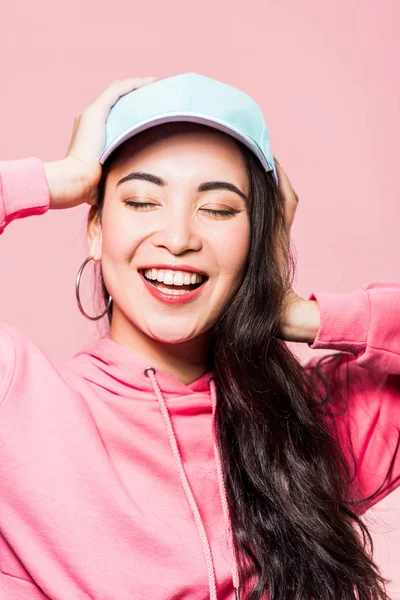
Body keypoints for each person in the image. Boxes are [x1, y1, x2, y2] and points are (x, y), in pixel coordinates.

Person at [0, 73, 399, 600]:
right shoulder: (18, 400)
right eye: (142, 201)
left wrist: (292, 312)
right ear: (95, 228)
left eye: (217, 209)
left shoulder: (308, 421)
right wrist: (59, 178)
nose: (179, 239)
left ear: (257, 240)